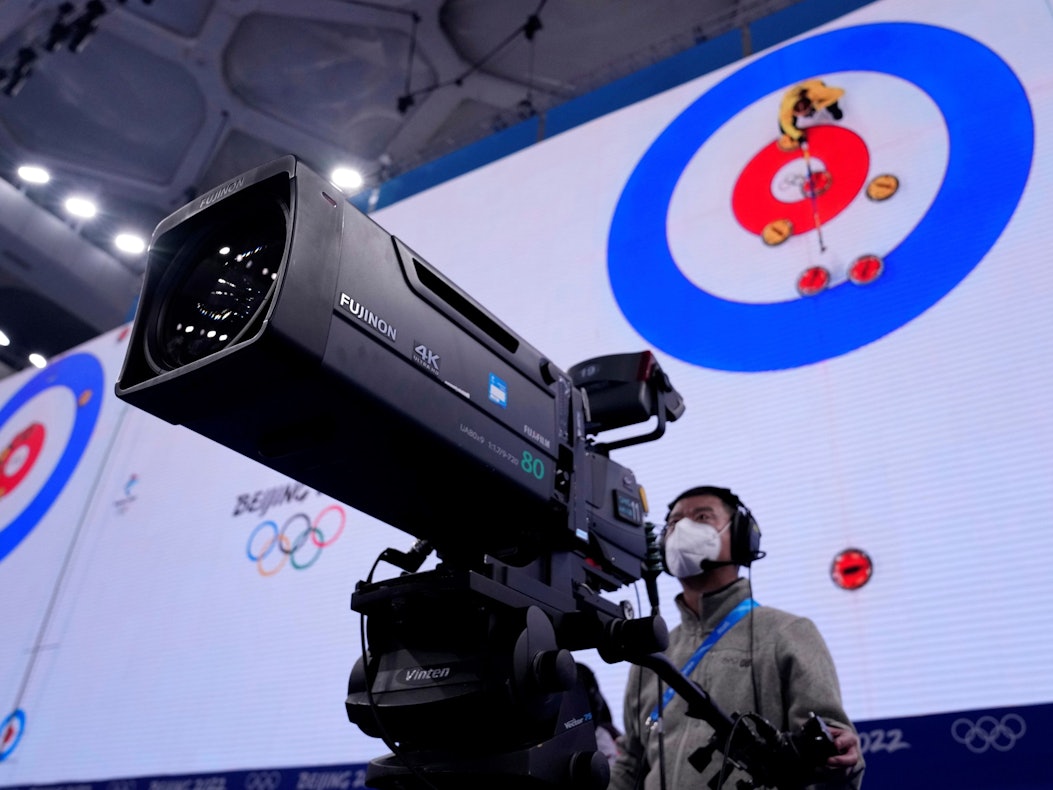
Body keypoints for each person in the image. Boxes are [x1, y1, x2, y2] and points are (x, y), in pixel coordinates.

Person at [608, 486, 864, 790]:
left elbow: (830, 752)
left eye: (702, 517)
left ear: (743, 537)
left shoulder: (788, 632)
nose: (682, 529)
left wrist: (842, 760)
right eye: (673, 523)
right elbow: (632, 765)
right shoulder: (653, 655)